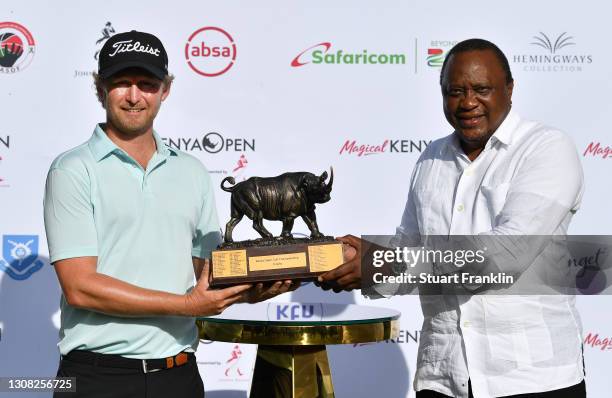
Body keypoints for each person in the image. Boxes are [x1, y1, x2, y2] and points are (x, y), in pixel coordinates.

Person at [319, 39, 586, 397]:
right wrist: (351, 262)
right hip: (443, 375)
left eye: (481, 89)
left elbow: (502, 256)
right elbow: (408, 248)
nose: (468, 102)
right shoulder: (431, 159)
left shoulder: (546, 148)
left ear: (509, 89)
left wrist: (382, 262)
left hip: (531, 379)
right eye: (455, 91)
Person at [43, 30, 294, 398]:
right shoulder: (73, 169)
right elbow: (80, 287)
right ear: (100, 90)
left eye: (146, 83)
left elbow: (204, 274)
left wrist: (246, 291)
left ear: (165, 89)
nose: (133, 96)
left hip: (179, 375)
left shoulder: (191, 171)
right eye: (120, 83)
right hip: (97, 377)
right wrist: (188, 305)